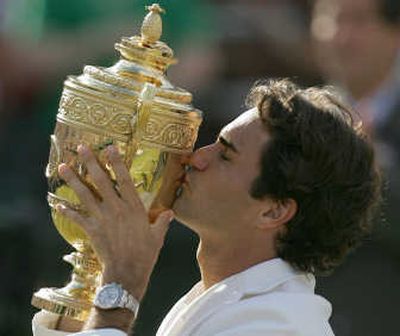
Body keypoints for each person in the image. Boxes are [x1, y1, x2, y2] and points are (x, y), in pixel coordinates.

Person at [32, 79, 381, 336]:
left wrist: (122, 286)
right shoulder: (229, 302)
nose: (196, 158)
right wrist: (88, 281)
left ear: (273, 211)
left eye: (225, 155)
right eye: (213, 143)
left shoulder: (277, 325)